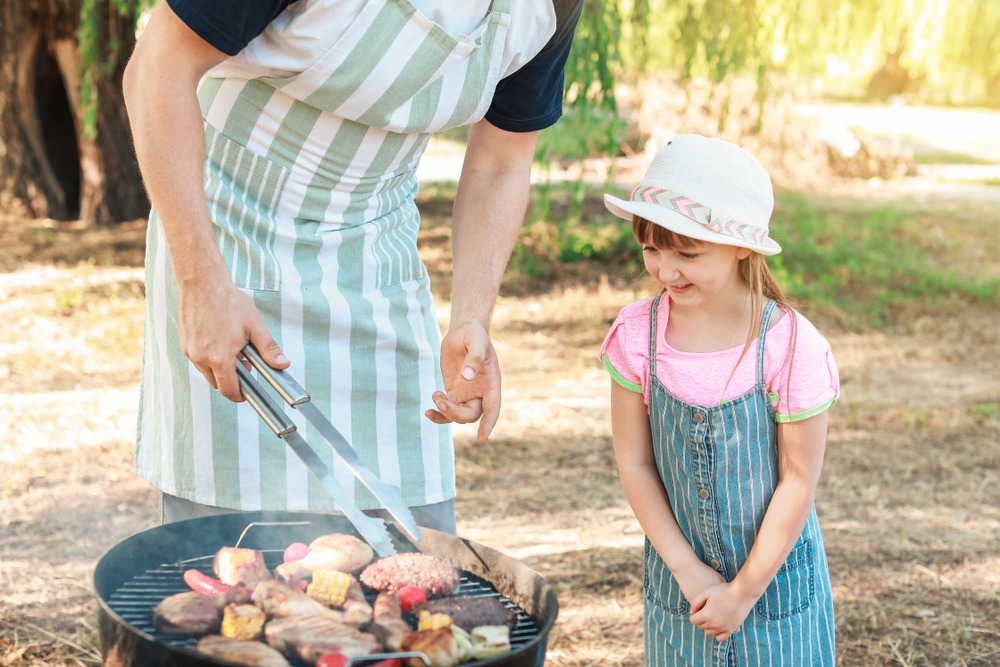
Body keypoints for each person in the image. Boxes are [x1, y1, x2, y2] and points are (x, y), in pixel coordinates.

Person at [121, 0, 583, 531]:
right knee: (232, 546)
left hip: (375, 255)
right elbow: (157, 67)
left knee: (411, 541)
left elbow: (501, 160)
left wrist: (471, 316)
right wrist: (201, 282)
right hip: (226, 238)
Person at [599, 134, 839, 664]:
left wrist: (743, 592)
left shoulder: (790, 345)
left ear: (741, 246)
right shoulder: (636, 335)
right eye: (652, 248)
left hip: (773, 591)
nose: (665, 269)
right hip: (679, 588)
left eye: (688, 252)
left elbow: (798, 482)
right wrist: (686, 569)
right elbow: (634, 462)